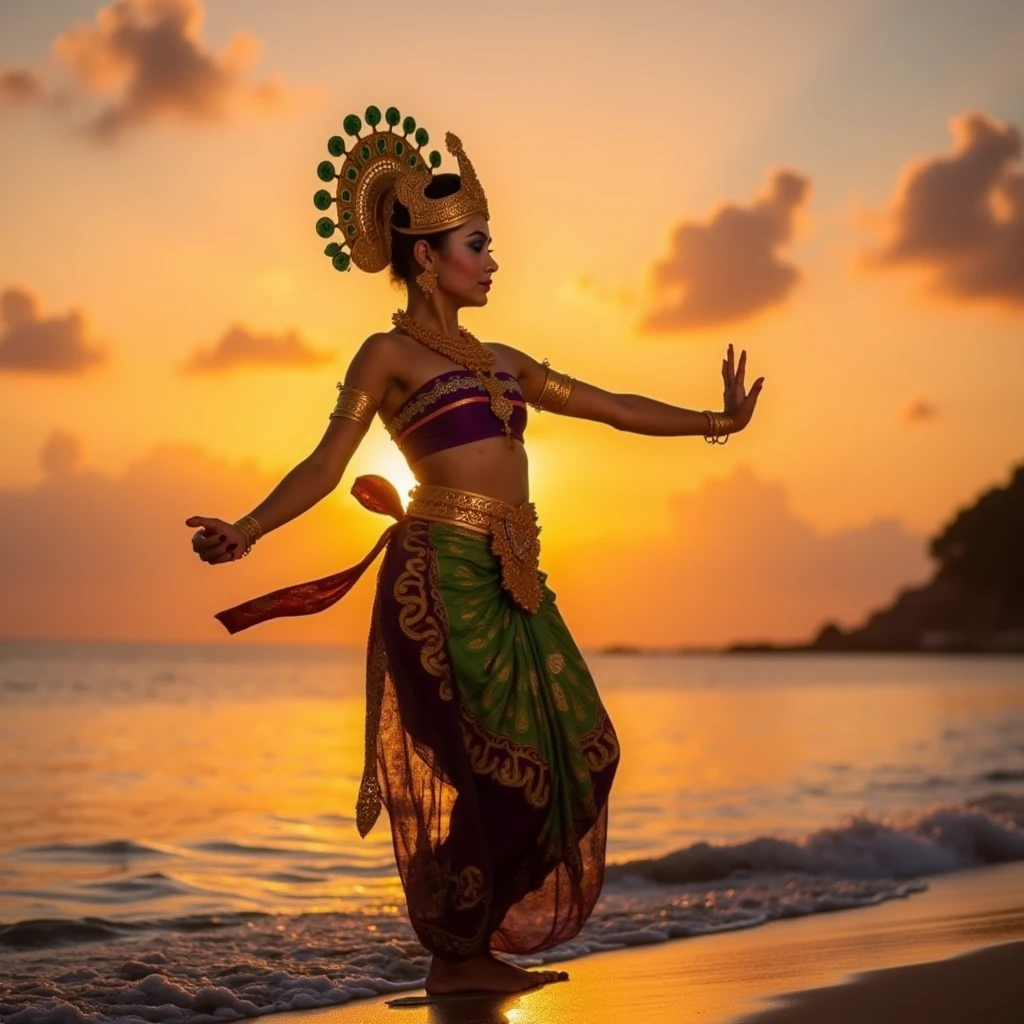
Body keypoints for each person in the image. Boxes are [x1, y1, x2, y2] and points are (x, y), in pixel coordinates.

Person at [185, 106, 764, 997]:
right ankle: (459, 956)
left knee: (589, 755)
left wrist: (714, 422)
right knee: (499, 769)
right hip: (439, 575)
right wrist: (249, 528)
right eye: (478, 244)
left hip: (519, 580)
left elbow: (609, 405)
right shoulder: (386, 355)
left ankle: (468, 944)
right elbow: (326, 463)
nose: (493, 261)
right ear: (427, 256)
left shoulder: (505, 360)